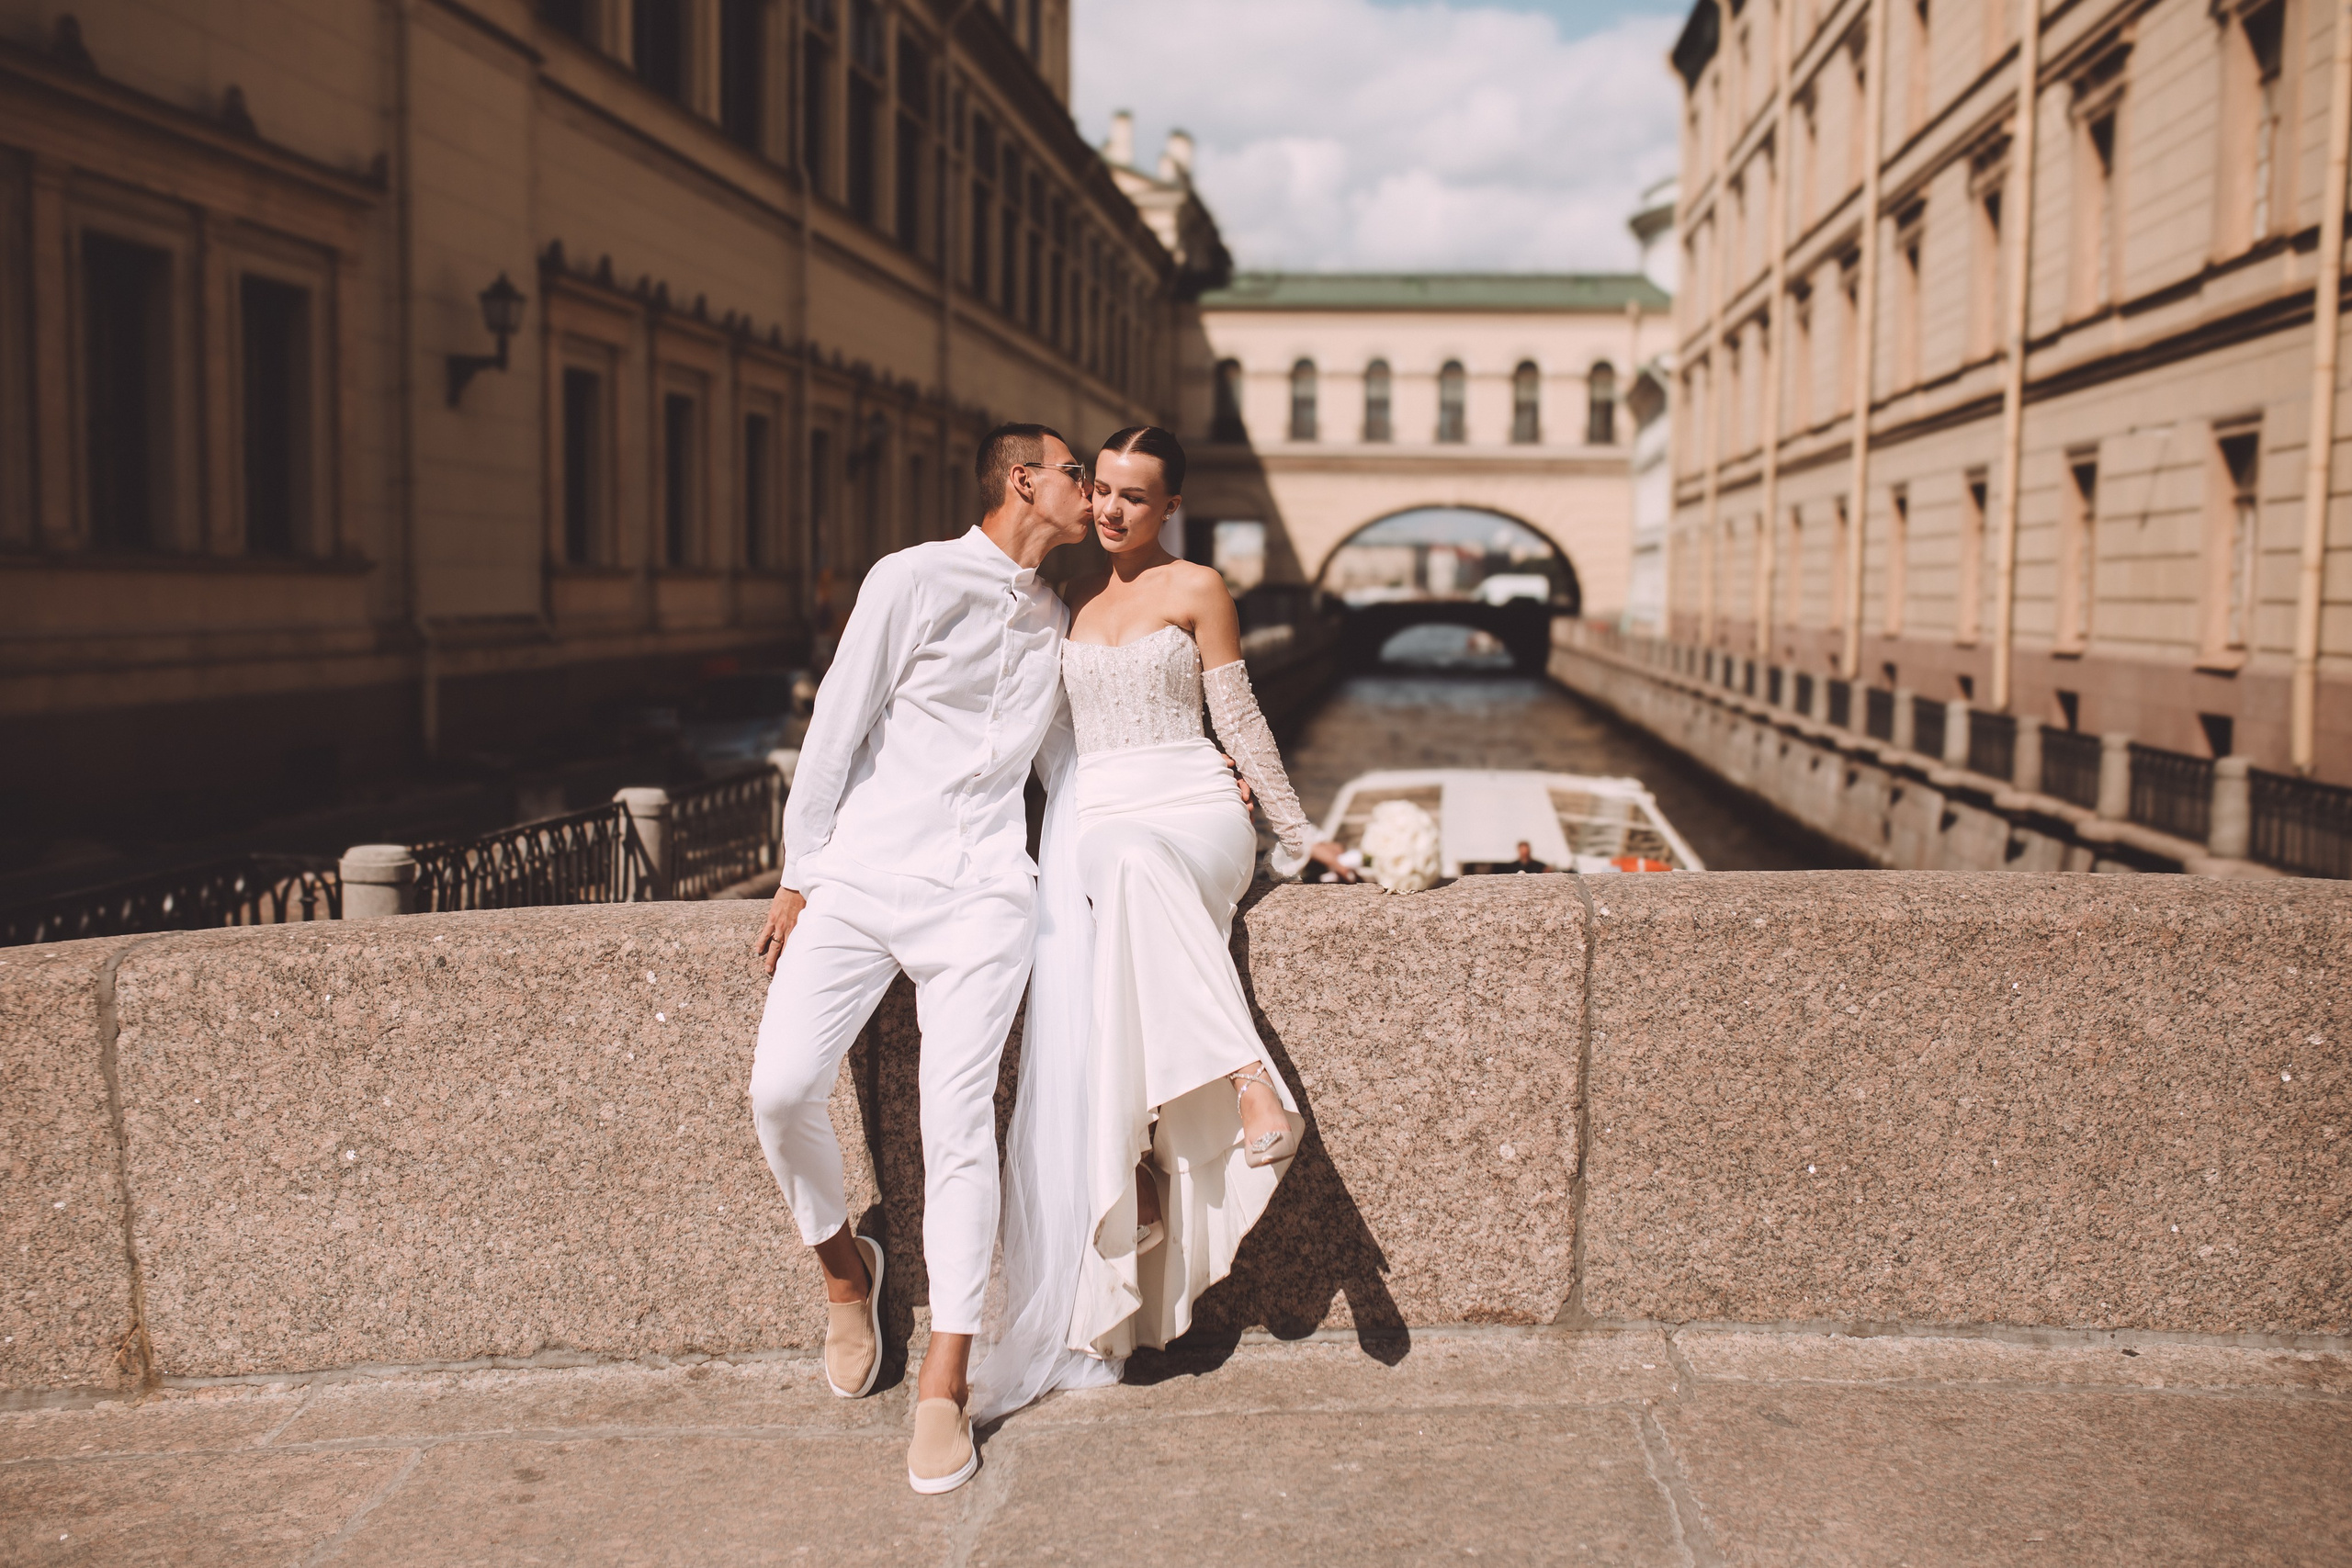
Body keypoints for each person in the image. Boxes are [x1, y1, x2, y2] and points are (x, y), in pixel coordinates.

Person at [970, 425, 1354, 1422]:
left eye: (1134, 497)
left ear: (1170, 506)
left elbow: (1240, 719)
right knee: (1128, 867)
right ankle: (1240, 1085)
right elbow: (1045, 743)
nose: (1110, 509)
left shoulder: (1198, 588)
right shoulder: (1064, 601)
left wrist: (1297, 832)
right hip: (1102, 813)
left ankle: (1165, 1146)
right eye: (1101, 489)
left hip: (1197, 804)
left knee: (1143, 874)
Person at [747, 423, 1091, 1495]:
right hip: (861, 877)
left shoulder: (1058, 618)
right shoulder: (911, 577)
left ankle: (946, 1376)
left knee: (959, 1127)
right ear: (1023, 479)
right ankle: (845, 1272)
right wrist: (801, 871)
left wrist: (1183, 790)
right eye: (1077, 474)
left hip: (984, 895)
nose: (1092, 493)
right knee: (779, 1090)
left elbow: (1069, 765)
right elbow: (836, 724)